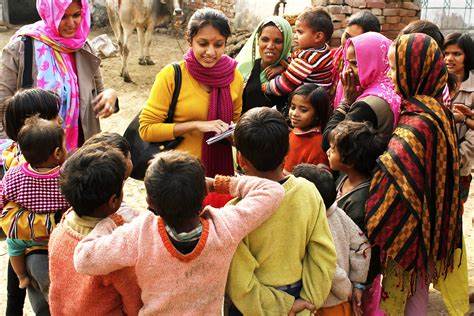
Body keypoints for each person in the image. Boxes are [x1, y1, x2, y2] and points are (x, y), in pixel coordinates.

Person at [73, 150, 285, 314]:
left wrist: (111, 221)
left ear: (150, 203)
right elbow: (272, 190)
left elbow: (83, 259)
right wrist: (216, 184)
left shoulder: (141, 234)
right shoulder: (225, 227)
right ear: (203, 194)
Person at [366, 33, 468, 315]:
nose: (390, 74)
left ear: (415, 70)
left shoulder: (416, 123)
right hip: (429, 225)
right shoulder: (436, 108)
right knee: (417, 288)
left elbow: (393, 180)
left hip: (410, 227)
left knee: (406, 291)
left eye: (395, 67)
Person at [226, 107, 336, 315]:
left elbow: (241, 284)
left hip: (253, 307)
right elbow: (323, 255)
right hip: (301, 299)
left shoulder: (237, 211)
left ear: (241, 160)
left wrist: (282, 306)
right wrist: (306, 303)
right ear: (287, 151)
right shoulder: (307, 191)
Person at [0, 0, 118, 150]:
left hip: (78, 153)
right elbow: (2, 105)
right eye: (63, 16)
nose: (71, 23)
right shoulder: (21, 48)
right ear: (48, 13)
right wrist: (10, 150)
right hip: (35, 156)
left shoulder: (83, 47)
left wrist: (110, 95)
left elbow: (98, 95)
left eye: (76, 15)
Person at [139, 8, 243, 177]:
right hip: (176, 175)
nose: (210, 52)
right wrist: (196, 125)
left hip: (218, 176)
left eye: (218, 44)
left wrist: (233, 134)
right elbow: (147, 129)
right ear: (190, 41)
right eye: (203, 44)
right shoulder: (172, 75)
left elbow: (236, 123)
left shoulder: (234, 77)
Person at [49, 142, 143, 314]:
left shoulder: (59, 231)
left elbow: (57, 290)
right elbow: (134, 302)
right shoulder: (114, 247)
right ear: (113, 200)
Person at [0, 89, 61, 316]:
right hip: (41, 247)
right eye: (54, 116)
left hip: (20, 239)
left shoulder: (13, 151)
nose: (61, 119)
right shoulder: (36, 164)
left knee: (16, 284)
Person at [292, 163, 370, 316]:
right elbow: (362, 246)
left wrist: (346, 289)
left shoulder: (310, 224)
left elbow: (328, 267)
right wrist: (358, 283)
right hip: (338, 301)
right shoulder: (339, 214)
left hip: (328, 302)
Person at [323, 32, 401, 151]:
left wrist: (346, 102)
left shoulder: (368, 104)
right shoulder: (391, 88)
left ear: (374, 62)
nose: (348, 69)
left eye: (355, 63)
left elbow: (329, 142)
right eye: (347, 62)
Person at [326, 120, 387, 231]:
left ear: (349, 161)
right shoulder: (344, 176)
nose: (328, 152)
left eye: (333, 150)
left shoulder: (358, 203)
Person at [261, 7, 334, 97]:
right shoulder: (323, 50)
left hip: (307, 100)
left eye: (299, 32)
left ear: (318, 36)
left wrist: (266, 87)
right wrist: (282, 67)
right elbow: (294, 61)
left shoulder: (307, 59)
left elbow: (285, 84)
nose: (295, 36)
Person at [236, 16, 293, 114]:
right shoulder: (245, 69)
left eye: (278, 41)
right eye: (265, 39)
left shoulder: (295, 73)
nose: (270, 46)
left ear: (286, 43)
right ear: (258, 40)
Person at [444, 33, 474, 203]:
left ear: (467, 56)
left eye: (457, 54)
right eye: (446, 53)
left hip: (459, 169)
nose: (449, 58)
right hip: (434, 165)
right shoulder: (438, 83)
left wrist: (456, 159)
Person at [332, 10, 381, 105]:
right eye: (346, 36)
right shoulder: (337, 54)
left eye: (355, 41)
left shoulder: (372, 70)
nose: (347, 43)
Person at [284, 83, 331, 172]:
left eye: (303, 110)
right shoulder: (295, 131)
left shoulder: (318, 146)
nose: (294, 114)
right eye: (293, 107)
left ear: (317, 114)